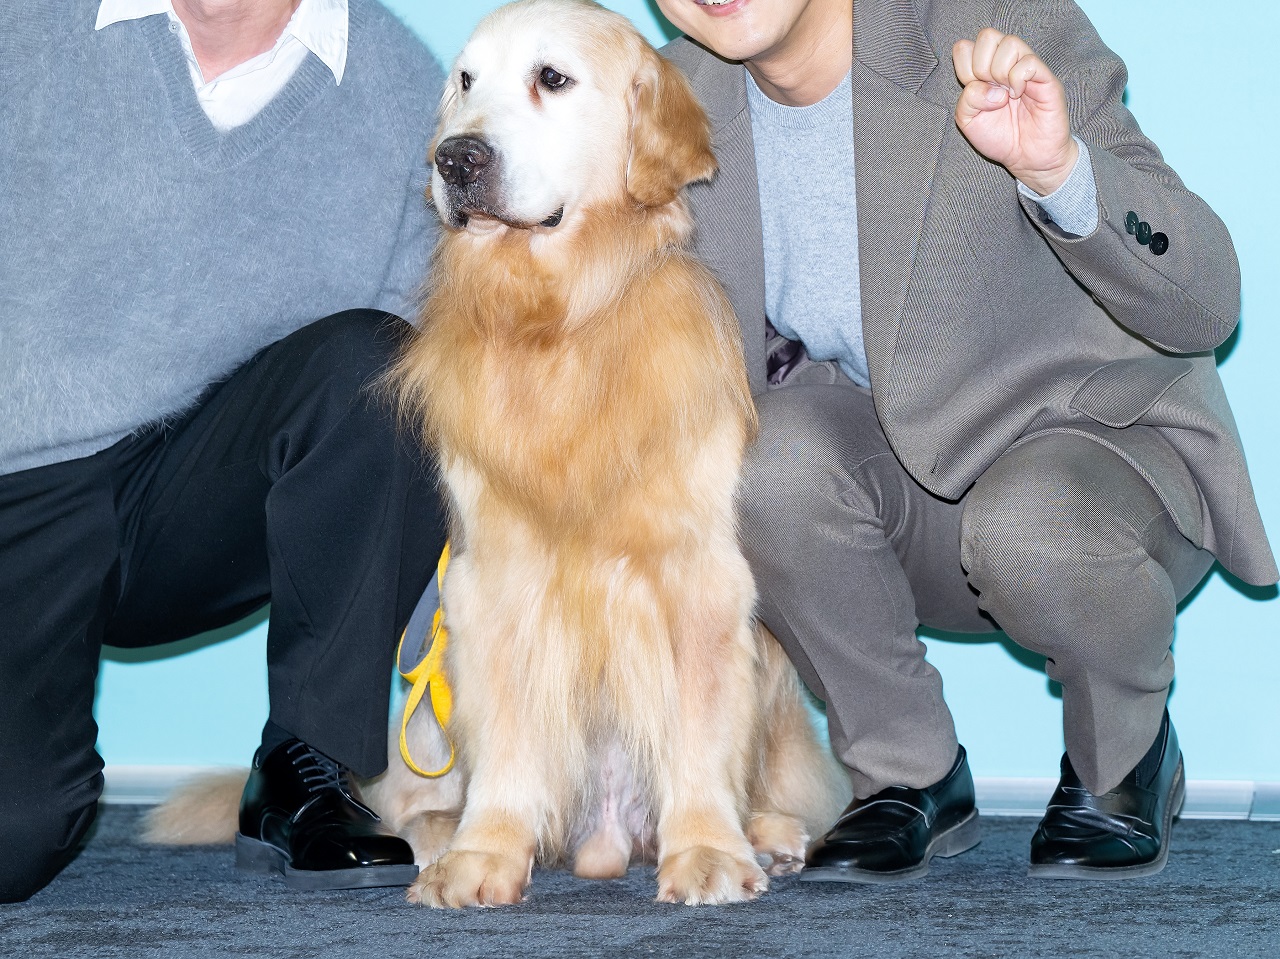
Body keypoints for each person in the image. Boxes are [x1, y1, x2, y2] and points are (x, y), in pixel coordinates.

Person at [656, 0, 1276, 881]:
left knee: (1033, 520)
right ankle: (908, 776)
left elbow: (1207, 296)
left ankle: (1123, 759)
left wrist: (1061, 172)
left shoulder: (989, 26)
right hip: (909, 488)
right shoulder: (668, 101)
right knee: (762, 463)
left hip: (1103, 464)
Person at [0, 0, 447, 902]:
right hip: (22, 481)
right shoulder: (25, 24)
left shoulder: (401, 86)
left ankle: (307, 767)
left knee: (387, 362)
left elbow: (425, 386)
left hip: (192, 494)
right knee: (16, 838)